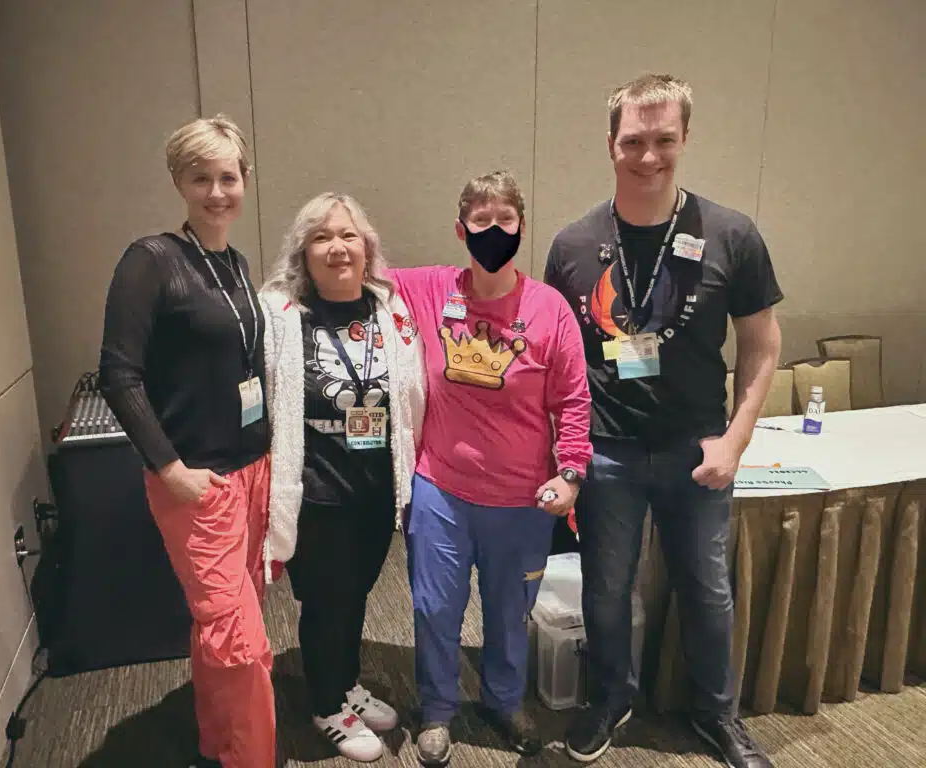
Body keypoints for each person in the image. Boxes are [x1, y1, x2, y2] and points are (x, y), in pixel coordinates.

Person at [544, 74, 783, 768]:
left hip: (696, 449)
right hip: (608, 453)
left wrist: (735, 442)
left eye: (664, 141)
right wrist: (566, 457)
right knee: (605, 588)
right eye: (634, 141)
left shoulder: (731, 234)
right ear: (610, 143)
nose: (648, 156)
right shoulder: (574, 244)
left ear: (684, 139)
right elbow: (560, 362)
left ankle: (718, 716)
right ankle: (611, 699)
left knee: (707, 590)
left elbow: (763, 345)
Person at [392, 171, 593, 765]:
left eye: (505, 220)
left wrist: (572, 473)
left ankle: (504, 703)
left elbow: (574, 401)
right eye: (481, 221)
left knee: (510, 613)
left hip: (520, 498)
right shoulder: (429, 289)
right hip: (440, 489)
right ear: (461, 230)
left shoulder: (548, 309)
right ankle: (436, 709)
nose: (494, 231)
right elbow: (353, 274)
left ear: (521, 228)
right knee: (434, 608)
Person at [99, 115, 275, 768]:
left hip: (251, 471)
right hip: (198, 481)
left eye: (228, 177)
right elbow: (119, 373)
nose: (217, 191)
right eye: (201, 178)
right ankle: (249, 757)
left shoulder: (232, 261)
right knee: (241, 640)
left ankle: (214, 744)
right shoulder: (151, 260)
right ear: (179, 180)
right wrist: (169, 469)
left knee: (221, 629)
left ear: (244, 181)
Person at [260, 193, 426, 762]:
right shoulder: (279, 316)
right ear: (303, 253)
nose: (338, 248)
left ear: (368, 247)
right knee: (327, 600)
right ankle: (327, 704)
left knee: (355, 595)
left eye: (348, 236)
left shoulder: (391, 310)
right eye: (322, 237)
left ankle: (347, 682)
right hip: (316, 491)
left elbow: (412, 396)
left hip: (377, 489)